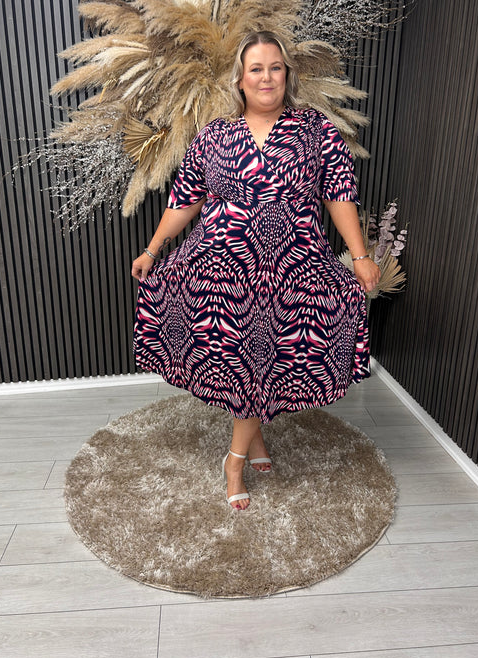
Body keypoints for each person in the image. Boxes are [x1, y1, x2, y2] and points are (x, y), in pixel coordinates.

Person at [131, 30, 380, 511]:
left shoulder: (317, 131)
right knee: (243, 362)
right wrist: (153, 249)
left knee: (270, 360)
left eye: (275, 68)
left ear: (288, 75)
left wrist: (360, 255)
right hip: (223, 268)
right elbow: (186, 200)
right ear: (240, 80)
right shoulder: (215, 135)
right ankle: (238, 458)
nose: (267, 77)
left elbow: (339, 196)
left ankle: (243, 449)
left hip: (292, 267)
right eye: (256, 69)